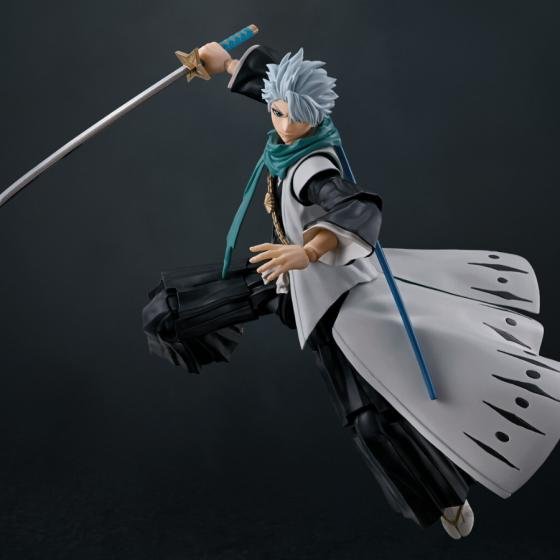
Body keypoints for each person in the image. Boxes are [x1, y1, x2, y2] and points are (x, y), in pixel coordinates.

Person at [143, 42, 560, 539]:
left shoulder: (313, 168)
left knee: (370, 423)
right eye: (277, 113)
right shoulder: (292, 132)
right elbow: (274, 89)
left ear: (313, 117)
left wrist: (309, 250)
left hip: (334, 307)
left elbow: (357, 209)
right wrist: (222, 62)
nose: (283, 125)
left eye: (293, 117)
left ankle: (445, 496)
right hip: (288, 281)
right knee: (171, 312)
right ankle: (197, 336)